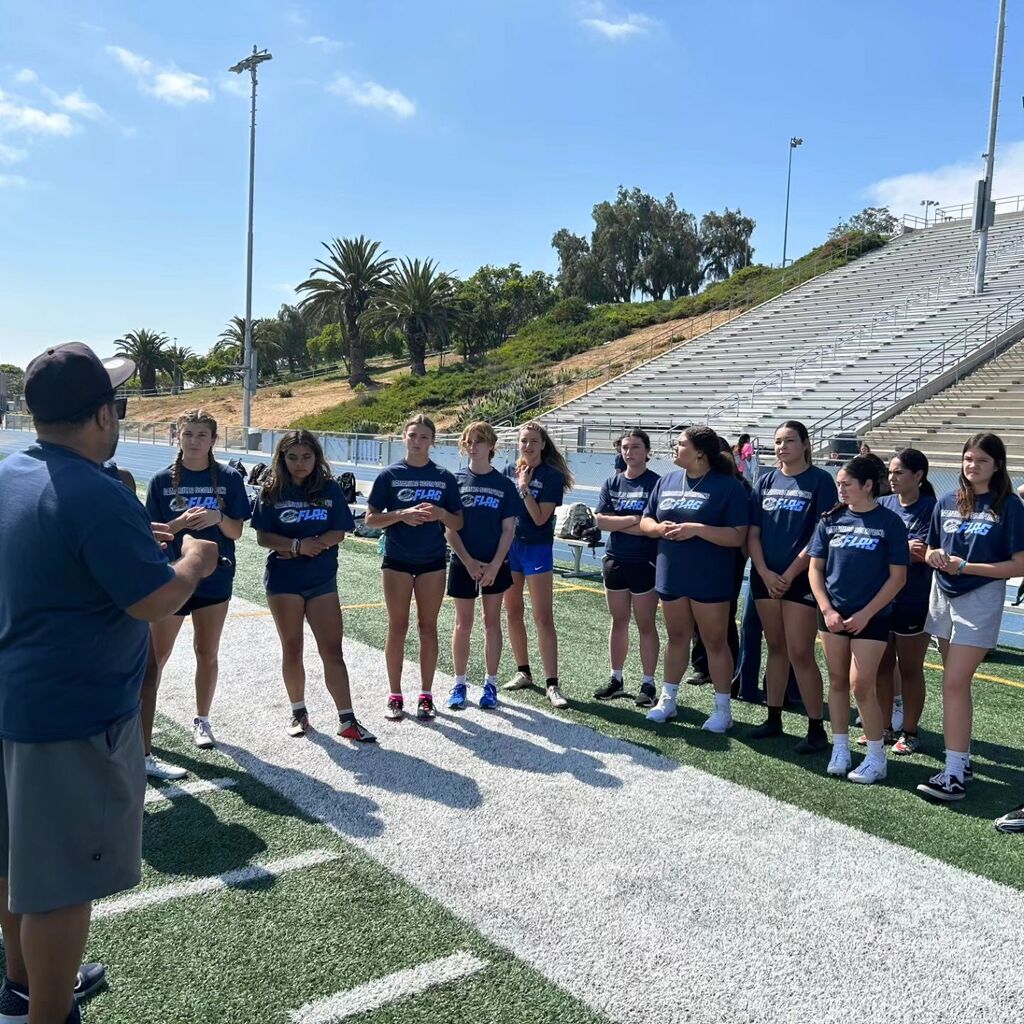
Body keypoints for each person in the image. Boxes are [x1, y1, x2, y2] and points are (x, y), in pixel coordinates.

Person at [0, 343, 218, 1024]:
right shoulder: (97, 491)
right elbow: (155, 601)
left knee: (13, 865)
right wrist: (191, 559)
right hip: (70, 716)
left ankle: (20, 988)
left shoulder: (9, 473)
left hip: (13, 697)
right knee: (60, 888)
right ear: (101, 413)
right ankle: (47, 1013)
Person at [917, 432, 1024, 802]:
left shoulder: (1009, 505)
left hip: (979, 596)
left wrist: (967, 567)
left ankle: (953, 775)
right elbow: (932, 546)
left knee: (954, 683)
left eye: (980, 460)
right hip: (942, 595)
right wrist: (931, 556)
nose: (972, 465)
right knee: (954, 684)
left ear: (997, 465)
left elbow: (1018, 564)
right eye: (967, 458)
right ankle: (960, 762)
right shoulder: (946, 500)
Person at [252, 430, 375, 741]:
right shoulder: (271, 490)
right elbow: (263, 537)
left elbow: (341, 529)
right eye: (292, 457)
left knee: (332, 650)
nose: (299, 463)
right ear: (282, 459)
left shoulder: (330, 489)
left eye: (306, 457)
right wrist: (296, 546)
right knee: (292, 648)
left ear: (316, 457)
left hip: (321, 579)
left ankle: (347, 720)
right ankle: (298, 713)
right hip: (284, 581)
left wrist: (315, 544)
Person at [144, 410, 250, 755]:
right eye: (187, 434)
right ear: (177, 436)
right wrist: (180, 523)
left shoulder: (229, 477)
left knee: (207, 652)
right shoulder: (161, 480)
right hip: (170, 577)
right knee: (156, 656)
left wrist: (218, 517)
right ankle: (144, 719)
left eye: (201, 435)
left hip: (214, 578)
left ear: (213, 440)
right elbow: (150, 534)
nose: (194, 441)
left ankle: (202, 718)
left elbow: (237, 531)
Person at [640, 425, 749, 732]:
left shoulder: (728, 487)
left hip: (710, 576)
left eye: (680, 444)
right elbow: (646, 520)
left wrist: (697, 529)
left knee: (715, 641)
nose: (674, 448)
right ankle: (668, 700)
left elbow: (737, 535)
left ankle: (722, 708)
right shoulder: (668, 480)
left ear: (700, 452)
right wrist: (659, 529)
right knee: (676, 638)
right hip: (672, 572)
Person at [808, 456, 909, 784]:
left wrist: (866, 613)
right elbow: (815, 569)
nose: (841, 489)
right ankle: (841, 747)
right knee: (837, 680)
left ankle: (876, 756)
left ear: (868, 486)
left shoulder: (890, 523)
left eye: (846, 484)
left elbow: (897, 578)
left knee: (860, 684)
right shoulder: (830, 519)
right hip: (833, 614)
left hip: (872, 617)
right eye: (839, 483)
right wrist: (826, 609)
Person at [747, 420, 837, 753]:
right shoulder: (766, 479)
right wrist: (765, 572)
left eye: (789, 441)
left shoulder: (820, 481)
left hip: (799, 578)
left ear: (805, 444)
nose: (782, 447)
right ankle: (773, 718)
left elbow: (821, 532)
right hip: (765, 577)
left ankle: (816, 728)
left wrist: (790, 572)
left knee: (800, 652)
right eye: (778, 441)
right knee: (776, 647)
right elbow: (753, 533)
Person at [366, 414, 463, 721]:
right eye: (412, 435)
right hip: (396, 560)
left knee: (428, 627)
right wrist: (401, 514)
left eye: (424, 436)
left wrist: (439, 513)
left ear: (432, 441)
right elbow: (370, 519)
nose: (418, 441)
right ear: (403, 438)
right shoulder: (389, 475)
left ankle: (426, 694)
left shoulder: (445, 477)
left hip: (433, 561)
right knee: (397, 626)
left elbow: (458, 521)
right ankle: (395, 695)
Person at [444, 422, 520, 711]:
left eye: (479, 441)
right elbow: (449, 529)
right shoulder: (456, 481)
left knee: (491, 623)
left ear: (491, 446)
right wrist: (468, 561)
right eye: (468, 441)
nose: (473, 445)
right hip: (464, 560)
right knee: (463, 624)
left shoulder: (503, 485)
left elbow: (508, 529)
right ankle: (459, 682)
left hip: (494, 563)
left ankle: (490, 683)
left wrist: (493, 566)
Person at [502, 421, 574, 708]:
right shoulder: (509, 470)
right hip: (511, 549)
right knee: (513, 611)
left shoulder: (551, 475)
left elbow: (540, 518)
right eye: (523, 441)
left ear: (543, 444)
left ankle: (552, 684)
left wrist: (524, 489)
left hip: (537, 549)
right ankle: (523, 671)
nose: (528, 446)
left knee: (543, 616)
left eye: (533, 441)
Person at [592, 429, 661, 706]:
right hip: (615, 559)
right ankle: (616, 679)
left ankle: (648, 683)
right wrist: (634, 520)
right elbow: (600, 521)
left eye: (635, 447)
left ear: (646, 451)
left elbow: (652, 529)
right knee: (618, 621)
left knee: (646, 624)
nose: (629, 452)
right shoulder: (612, 481)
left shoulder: (657, 483)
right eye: (624, 447)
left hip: (645, 561)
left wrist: (619, 522)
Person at [875, 449, 936, 755]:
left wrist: (891, 548)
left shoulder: (931, 509)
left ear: (918, 476)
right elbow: (879, 547)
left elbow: (923, 553)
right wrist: (900, 548)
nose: (892, 478)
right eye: (890, 472)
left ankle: (910, 732)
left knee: (910, 668)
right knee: (882, 666)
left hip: (914, 598)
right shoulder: (883, 504)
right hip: (880, 599)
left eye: (899, 473)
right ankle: (884, 728)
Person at [688, 436, 749, 687]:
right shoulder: (701, 483)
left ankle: (730, 670)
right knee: (695, 615)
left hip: (728, 559)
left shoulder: (739, 486)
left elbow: (743, 530)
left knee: (725, 615)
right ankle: (702, 666)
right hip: (700, 558)